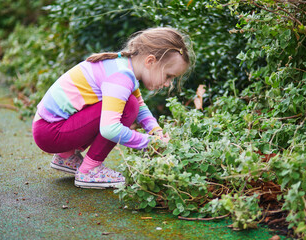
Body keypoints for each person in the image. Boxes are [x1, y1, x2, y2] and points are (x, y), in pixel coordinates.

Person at [32, 27, 192, 189]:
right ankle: (89, 170)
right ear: (150, 61)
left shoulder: (122, 66)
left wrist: (155, 131)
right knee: (128, 106)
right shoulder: (121, 77)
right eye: (168, 76)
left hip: (47, 128)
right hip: (50, 133)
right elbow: (110, 129)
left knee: (131, 103)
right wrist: (149, 143)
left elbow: (141, 106)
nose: (167, 84)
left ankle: (66, 156)